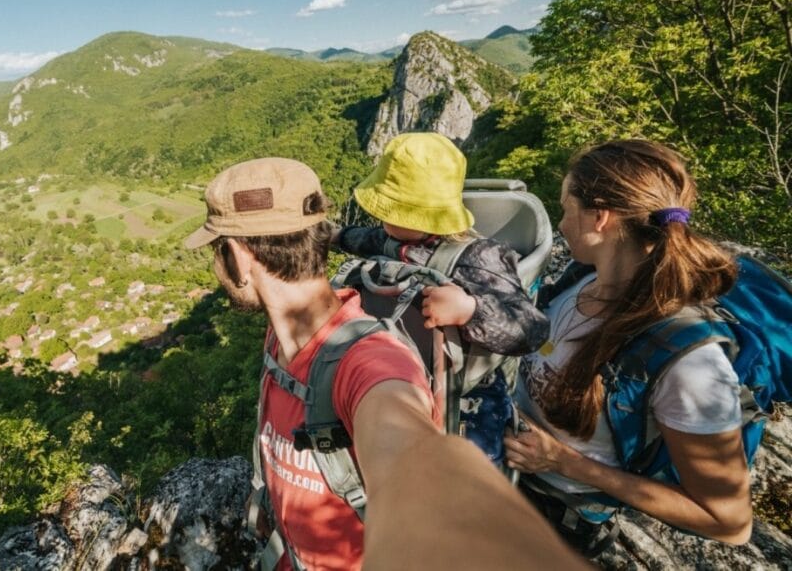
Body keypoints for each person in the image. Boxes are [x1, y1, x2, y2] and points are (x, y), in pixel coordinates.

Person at [184, 156, 585, 570]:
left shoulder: (371, 364)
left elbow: (411, 453)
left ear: (238, 255)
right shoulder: (282, 337)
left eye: (217, 250)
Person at [504, 139, 753, 555]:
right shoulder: (580, 278)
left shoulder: (690, 365)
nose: (561, 225)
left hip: (556, 517)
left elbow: (729, 522)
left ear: (599, 217)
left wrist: (561, 461)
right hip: (509, 476)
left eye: (566, 209)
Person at [333, 132, 548, 463]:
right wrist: (335, 236)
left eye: (390, 210)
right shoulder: (397, 237)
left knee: (464, 476)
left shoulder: (480, 258)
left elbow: (531, 329)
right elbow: (371, 240)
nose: (382, 218)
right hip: (407, 380)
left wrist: (470, 310)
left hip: (465, 398)